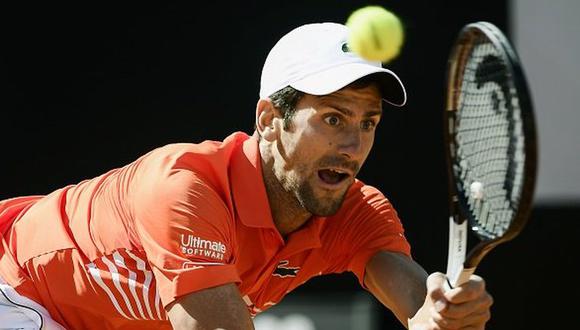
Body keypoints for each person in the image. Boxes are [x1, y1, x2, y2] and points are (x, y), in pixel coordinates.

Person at [0, 22, 492, 330]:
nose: (353, 145)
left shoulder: (354, 208)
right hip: (16, 293)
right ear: (267, 121)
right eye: (333, 118)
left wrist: (441, 316)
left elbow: (416, 304)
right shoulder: (184, 189)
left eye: (368, 123)